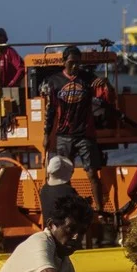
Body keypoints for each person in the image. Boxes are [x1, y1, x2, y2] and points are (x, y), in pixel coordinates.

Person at [43, 45, 105, 214]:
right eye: (71, 62)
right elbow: (49, 110)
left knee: (92, 173)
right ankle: (67, 211)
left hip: (85, 134)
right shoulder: (54, 81)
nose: (75, 66)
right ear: (64, 62)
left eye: (78, 62)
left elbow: (105, 96)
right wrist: (47, 135)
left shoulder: (88, 78)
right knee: (63, 177)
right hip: (64, 135)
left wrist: (105, 84)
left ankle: (99, 210)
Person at [39, 155, 82, 226]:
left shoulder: (44, 189)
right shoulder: (68, 191)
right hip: (63, 230)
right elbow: (78, 211)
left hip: (49, 228)